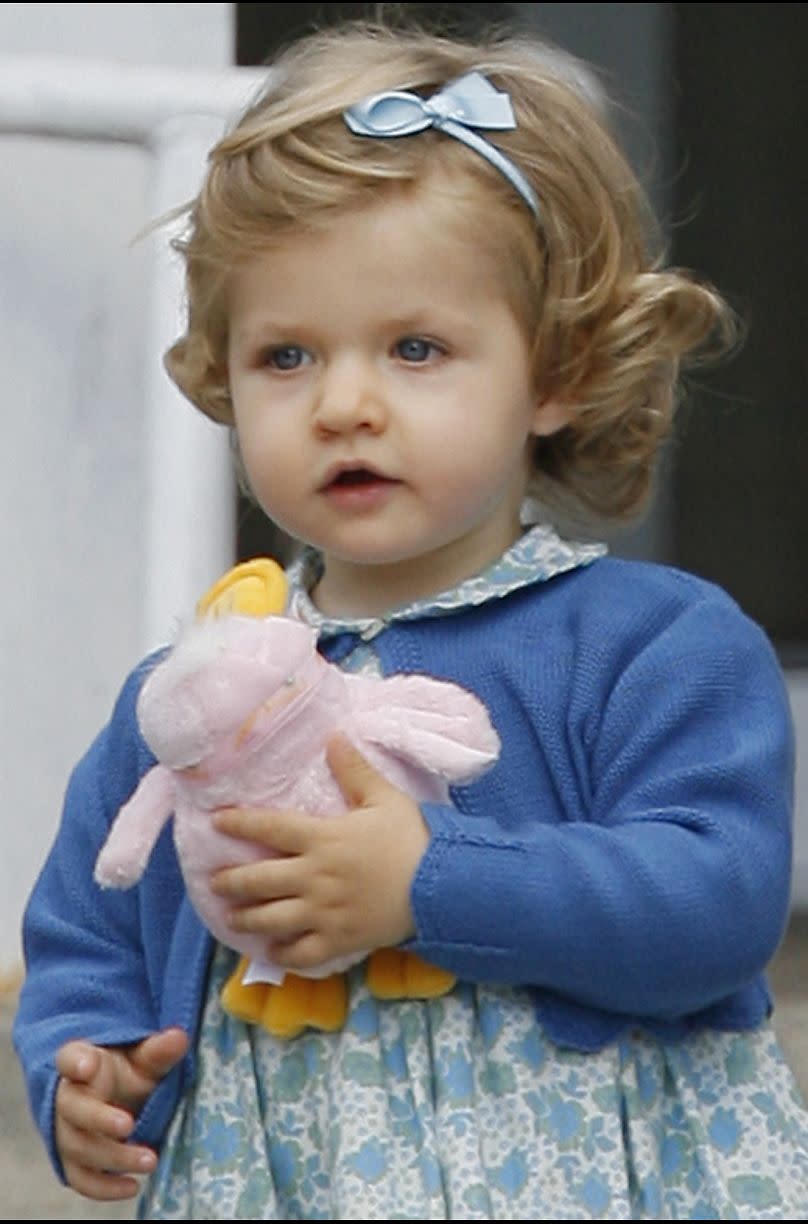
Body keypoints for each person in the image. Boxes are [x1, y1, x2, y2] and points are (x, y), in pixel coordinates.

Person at [13, 15, 808, 1221]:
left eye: (416, 348)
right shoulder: (194, 696)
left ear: (555, 373)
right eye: (285, 356)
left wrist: (431, 880)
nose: (343, 404)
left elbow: (717, 905)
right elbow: (91, 928)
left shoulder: (652, 645)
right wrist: (87, 1065)